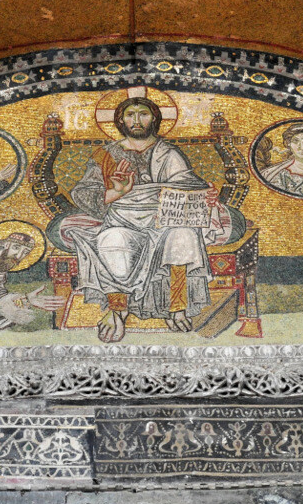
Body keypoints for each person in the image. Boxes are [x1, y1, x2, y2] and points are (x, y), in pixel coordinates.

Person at [57, 96, 243, 343]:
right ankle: (117, 308)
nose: (136, 120)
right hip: (122, 218)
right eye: (129, 115)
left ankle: (176, 308)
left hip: (165, 219)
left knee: (183, 236)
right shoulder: (106, 154)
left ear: (154, 118)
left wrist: (205, 195)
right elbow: (83, 193)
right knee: (112, 240)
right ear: (120, 120)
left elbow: (187, 185)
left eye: (142, 114)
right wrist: (117, 192)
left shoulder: (168, 153)